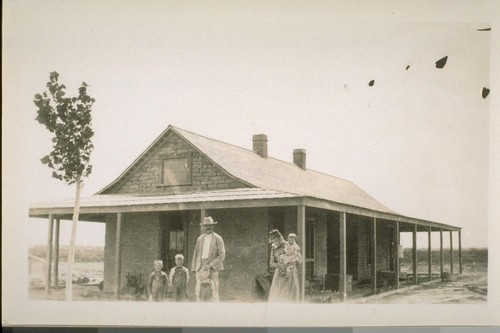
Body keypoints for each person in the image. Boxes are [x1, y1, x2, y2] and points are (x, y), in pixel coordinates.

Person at [191, 216, 226, 302]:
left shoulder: (218, 238)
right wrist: (194, 268)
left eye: (210, 225)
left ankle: (214, 310)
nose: (208, 227)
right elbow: (196, 254)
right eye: (206, 226)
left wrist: (210, 265)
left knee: (214, 290)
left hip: (212, 268)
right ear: (203, 227)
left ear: (213, 226)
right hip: (200, 267)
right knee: (199, 290)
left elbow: (222, 255)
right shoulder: (200, 239)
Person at [267, 230, 303, 302]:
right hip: (279, 274)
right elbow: (271, 264)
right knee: (278, 295)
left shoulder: (290, 245)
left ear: (280, 237)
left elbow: (301, 259)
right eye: (273, 241)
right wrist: (279, 265)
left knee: (291, 295)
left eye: (275, 240)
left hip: (291, 272)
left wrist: (291, 263)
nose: (274, 243)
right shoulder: (273, 249)